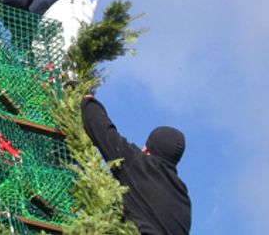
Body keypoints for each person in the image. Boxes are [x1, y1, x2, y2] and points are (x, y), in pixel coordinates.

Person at [81, 94, 191, 235]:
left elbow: (103, 133)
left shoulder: (140, 165)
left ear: (147, 149)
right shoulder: (184, 203)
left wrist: (88, 101)